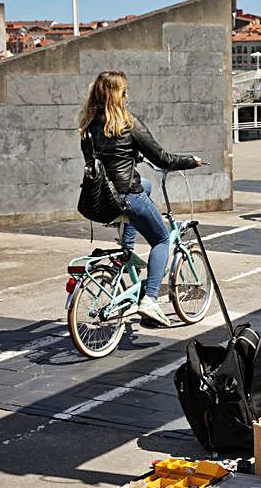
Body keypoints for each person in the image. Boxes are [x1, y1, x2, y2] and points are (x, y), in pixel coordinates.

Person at [79, 70, 203, 326]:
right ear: (116, 95)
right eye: (124, 91)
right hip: (125, 195)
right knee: (162, 239)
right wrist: (192, 161)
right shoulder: (128, 124)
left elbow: (107, 160)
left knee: (145, 185)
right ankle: (151, 300)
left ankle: (127, 250)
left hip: (99, 199)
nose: (127, 95)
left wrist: (130, 157)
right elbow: (163, 159)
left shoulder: (88, 127)